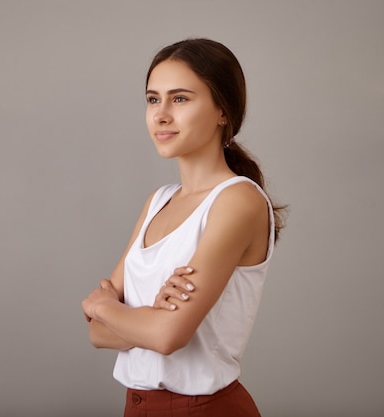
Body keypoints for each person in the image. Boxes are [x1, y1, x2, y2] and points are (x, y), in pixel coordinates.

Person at [81, 38, 286, 417]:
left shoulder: (238, 201)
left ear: (223, 110)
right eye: (153, 98)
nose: (160, 114)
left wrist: (105, 305)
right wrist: (143, 316)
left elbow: (167, 336)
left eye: (180, 99)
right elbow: (97, 333)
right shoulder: (158, 200)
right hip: (137, 406)